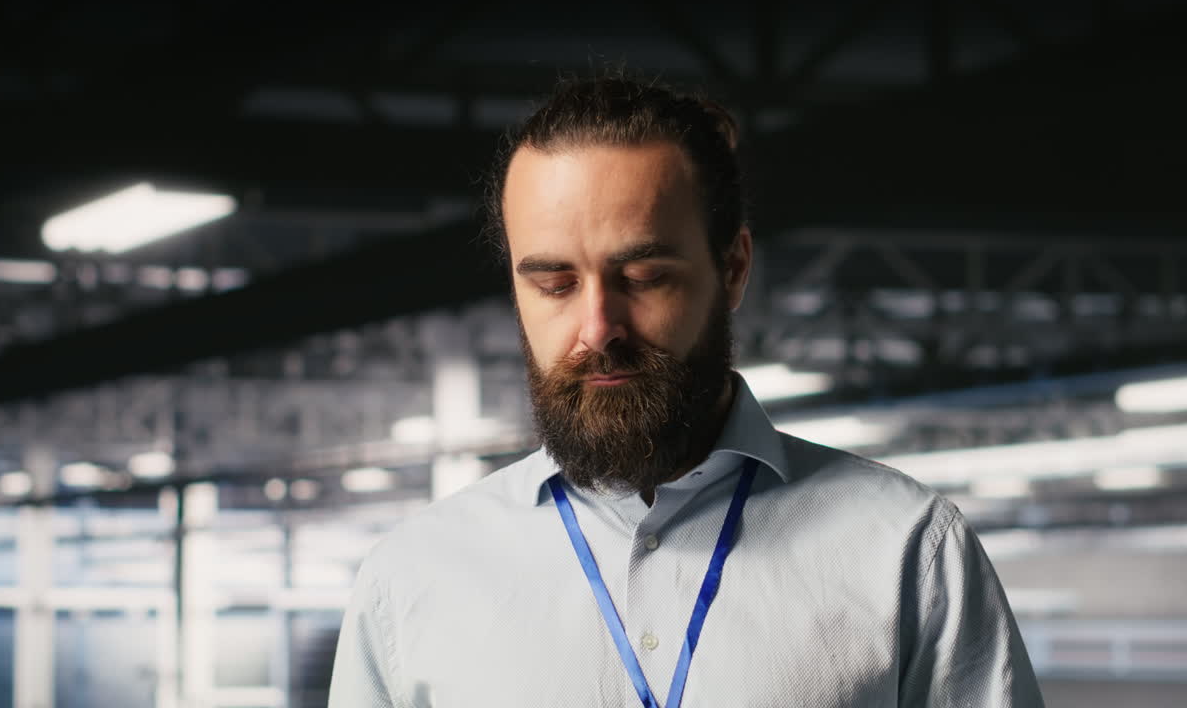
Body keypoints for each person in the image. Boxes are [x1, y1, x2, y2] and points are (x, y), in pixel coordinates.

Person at [328, 72, 1044, 707]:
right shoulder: (412, 579)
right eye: (553, 284)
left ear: (732, 268)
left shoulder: (907, 554)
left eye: (643, 278)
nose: (597, 327)